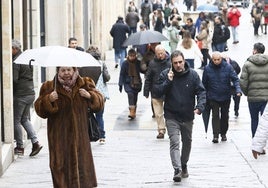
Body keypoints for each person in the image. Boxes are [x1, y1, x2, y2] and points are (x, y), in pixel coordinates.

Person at [34, 66, 104, 187]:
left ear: (74, 70)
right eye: (63, 70)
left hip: (80, 140)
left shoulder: (85, 83)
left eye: (69, 70)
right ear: (58, 71)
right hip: (59, 140)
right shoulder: (49, 86)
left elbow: (100, 102)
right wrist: (48, 99)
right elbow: (39, 110)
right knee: (61, 173)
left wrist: (90, 96)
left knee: (83, 173)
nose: (66, 73)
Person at [154, 50, 206, 182]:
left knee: (187, 142)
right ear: (171, 63)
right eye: (175, 62)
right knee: (174, 142)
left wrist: (200, 106)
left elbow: (201, 92)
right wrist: (168, 81)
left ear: (184, 61)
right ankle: (177, 169)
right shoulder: (165, 74)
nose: (178, 65)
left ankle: (183, 164)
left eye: (180, 62)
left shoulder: (193, 75)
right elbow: (158, 92)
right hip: (171, 114)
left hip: (188, 115)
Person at [202, 51, 242, 143]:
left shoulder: (228, 67)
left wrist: (238, 90)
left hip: (225, 95)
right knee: (215, 115)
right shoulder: (207, 68)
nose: (216, 61)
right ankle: (215, 135)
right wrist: (204, 96)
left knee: (225, 115)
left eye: (218, 59)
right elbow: (204, 83)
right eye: (214, 60)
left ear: (221, 59)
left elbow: (235, 79)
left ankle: (223, 133)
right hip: (213, 96)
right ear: (212, 59)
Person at [12, 39, 43, 156]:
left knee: (16, 121)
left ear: (15, 49)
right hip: (30, 92)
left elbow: (14, 80)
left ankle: (19, 147)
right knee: (24, 119)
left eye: (10, 49)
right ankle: (35, 142)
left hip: (21, 94)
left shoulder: (17, 61)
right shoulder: (27, 58)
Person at [79, 45, 111, 144]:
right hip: (100, 94)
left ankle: (87, 135)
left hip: (86, 93)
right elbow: (107, 78)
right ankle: (102, 136)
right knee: (99, 116)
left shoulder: (82, 65)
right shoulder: (101, 64)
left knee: (86, 115)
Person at [240, 42, 268, 137]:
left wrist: (247, 92)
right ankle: (263, 143)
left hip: (253, 98)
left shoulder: (247, 64)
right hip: (266, 98)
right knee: (265, 122)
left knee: (254, 120)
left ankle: (256, 143)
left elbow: (243, 82)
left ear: (255, 50)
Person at [144, 44, 171, 139]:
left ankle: (171, 129)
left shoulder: (170, 62)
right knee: (158, 113)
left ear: (165, 52)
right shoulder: (152, 63)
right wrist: (146, 91)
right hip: (156, 91)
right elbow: (148, 78)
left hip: (168, 91)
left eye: (162, 53)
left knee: (169, 112)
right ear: (155, 54)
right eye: (158, 54)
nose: (160, 55)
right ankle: (161, 130)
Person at [119, 49, 143, 119]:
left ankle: (133, 111)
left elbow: (142, 70)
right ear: (128, 56)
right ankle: (131, 112)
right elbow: (122, 74)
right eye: (131, 56)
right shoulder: (125, 63)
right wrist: (120, 84)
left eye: (133, 56)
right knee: (130, 95)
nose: (132, 57)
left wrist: (144, 64)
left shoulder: (138, 63)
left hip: (136, 83)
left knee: (135, 97)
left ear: (135, 56)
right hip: (128, 83)